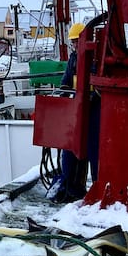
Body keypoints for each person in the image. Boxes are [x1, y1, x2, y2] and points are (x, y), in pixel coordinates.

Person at [47, 22, 100, 203]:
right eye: (74, 42)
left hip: (94, 111)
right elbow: (66, 80)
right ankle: (70, 186)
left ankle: (97, 186)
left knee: (94, 150)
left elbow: (100, 82)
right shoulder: (74, 59)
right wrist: (64, 92)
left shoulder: (95, 59)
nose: (75, 45)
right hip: (76, 109)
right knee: (70, 148)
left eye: (77, 41)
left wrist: (93, 96)